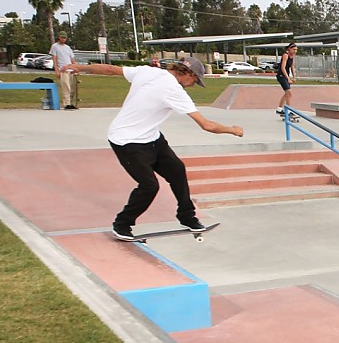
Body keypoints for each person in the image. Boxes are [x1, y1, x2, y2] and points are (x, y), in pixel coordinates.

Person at [59, 57, 245, 241]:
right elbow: (207, 125)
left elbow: (110, 70)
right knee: (149, 186)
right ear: (187, 73)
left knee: (177, 170)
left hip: (152, 138)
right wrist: (233, 130)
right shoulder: (173, 90)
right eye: (194, 81)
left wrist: (80, 67)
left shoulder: (147, 71)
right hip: (127, 141)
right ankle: (122, 224)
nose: (192, 85)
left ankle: (187, 217)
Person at [50, 32, 79, 109]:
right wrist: (57, 71)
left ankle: (70, 102)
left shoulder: (68, 47)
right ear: (59, 37)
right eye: (62, 37)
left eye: (64, 38)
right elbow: (54, 59)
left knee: (72, 88)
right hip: (63, 69)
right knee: (66, 87)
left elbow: (72, 59)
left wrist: (76, 68)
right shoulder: (55, 46)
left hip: (71, 69)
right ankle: (66, 103)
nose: (63, 39)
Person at [276, 42, 297, 116]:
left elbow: (292, 66)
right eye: (294, 49)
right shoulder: (285, 55)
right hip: (281, 75)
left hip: (286, 76)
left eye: (296, 49)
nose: (295, 51)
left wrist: (294, 76)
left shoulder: (292, 56)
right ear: (289, 49)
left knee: (287, 94)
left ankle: (279, 109)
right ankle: (288, 111)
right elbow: (282, 67)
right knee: (288, 93)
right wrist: (288, 78)